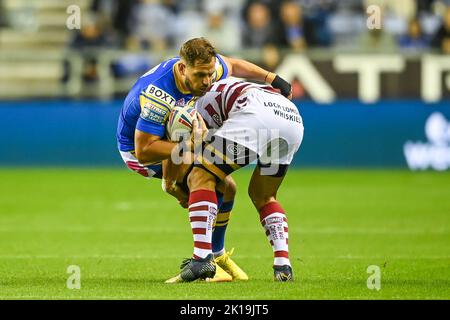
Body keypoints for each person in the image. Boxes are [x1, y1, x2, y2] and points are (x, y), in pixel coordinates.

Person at [116, 37, 293, 282]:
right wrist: (185, 155)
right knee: (212, 179)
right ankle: (205, 260)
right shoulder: (159, 95)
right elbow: (144, 149)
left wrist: (269, 78)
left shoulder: (207, 70)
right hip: (141, 154)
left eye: (210, 74)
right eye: (200, 75)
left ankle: (215, 257)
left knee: (227, 186)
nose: (208, 81)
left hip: (178, 137)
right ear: (181, 68)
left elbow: (233, 64)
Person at [174, 77, 303, 282]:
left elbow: (195, 147)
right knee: (264, 196)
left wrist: (178, 184)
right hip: (291, 119)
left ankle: (201, 258)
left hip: (256, 115)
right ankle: (282, 265)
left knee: (200, 175)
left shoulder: (195, 103)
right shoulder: (227, 80)